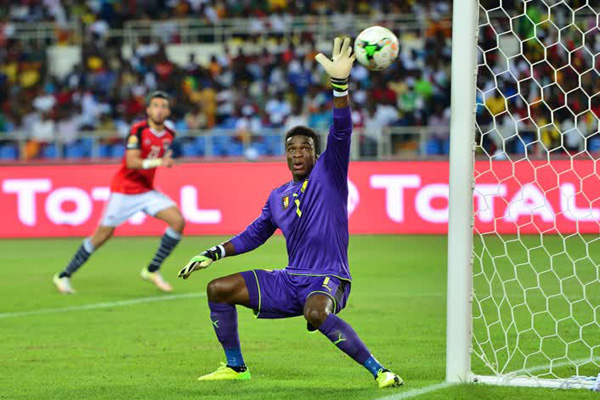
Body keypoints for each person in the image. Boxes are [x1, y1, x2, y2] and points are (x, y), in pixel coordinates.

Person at [178, 38, 402, 388]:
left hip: (328, 277)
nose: (298, 153)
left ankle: (380, 371)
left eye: (305, 148)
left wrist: (339, 85)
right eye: (291, 149)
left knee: (316, 312)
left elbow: (342, 129)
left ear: (316, 154)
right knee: (218, 289)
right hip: (289, 280)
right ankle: (235, 367)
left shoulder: (329, 173)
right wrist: (213, 252)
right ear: (285, 156)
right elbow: (254, 235)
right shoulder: (278, 196)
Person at [53, 91, 185, 294]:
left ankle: (152, 270)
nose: (159, 110)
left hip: (146, 190)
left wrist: (166, 159)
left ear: (168, 111)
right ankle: (64, 275)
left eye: (163, 106)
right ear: (148, 110)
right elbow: (131, 162)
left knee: (177, 221)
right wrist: (160, 161)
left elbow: (161, 153)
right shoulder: (138, 130)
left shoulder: (169, 134)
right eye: (155, 105)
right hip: (125, 190)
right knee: (102, 236)